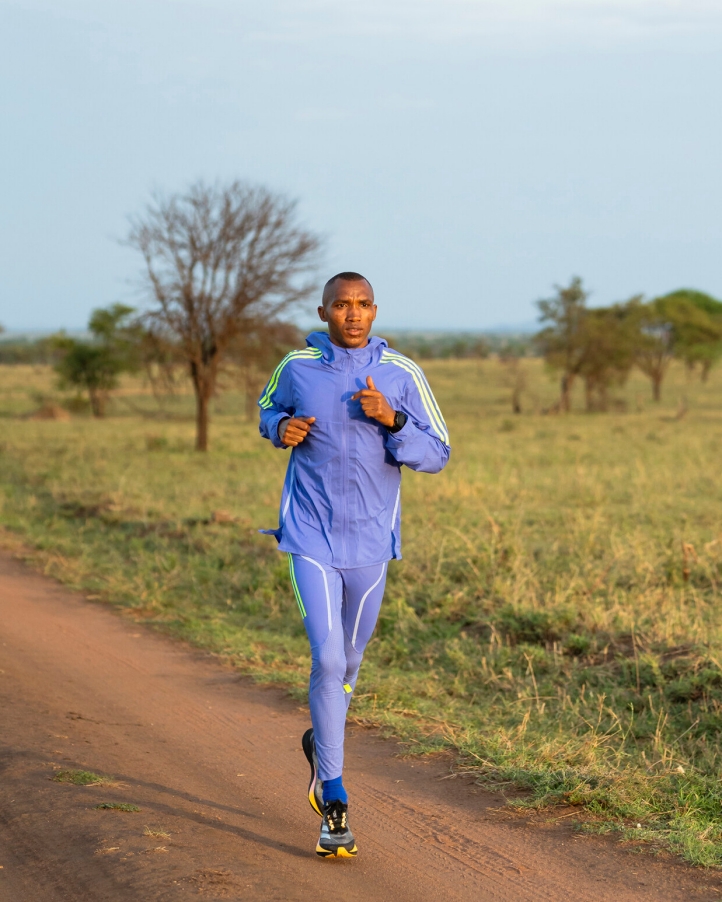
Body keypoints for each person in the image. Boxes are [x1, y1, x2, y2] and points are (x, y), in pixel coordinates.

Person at [258, 272, 450, 858]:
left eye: (363, 304)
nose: (353, 314)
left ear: (375, 310)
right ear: (323, 311)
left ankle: (324, 742)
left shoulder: (402, 375)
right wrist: (280, 428)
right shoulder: (296, 366)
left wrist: (392, 419)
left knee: (351, 663)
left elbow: (437, 453)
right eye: (341, 305)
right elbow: (268, 410)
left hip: (370, 544)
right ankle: (333, 799)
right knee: (328, 654)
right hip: (310, 536)